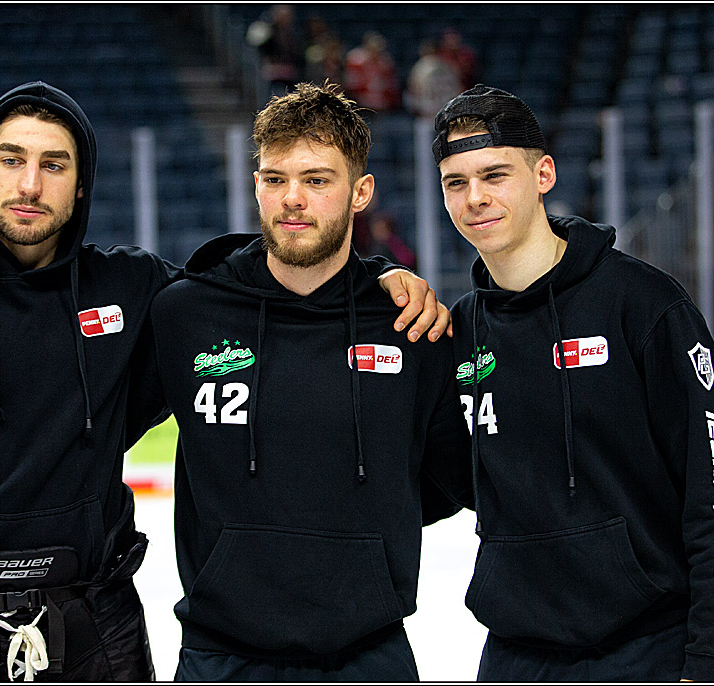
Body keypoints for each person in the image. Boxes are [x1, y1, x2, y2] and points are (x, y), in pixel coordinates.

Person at [0, 81, 449, 682]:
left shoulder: (134, 291)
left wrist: (372, 282)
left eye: (54, 165)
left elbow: (267, 281)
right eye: (11, 160)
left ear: (82, 184)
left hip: (96, 624)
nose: (30, 184)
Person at [144, 82, 474, 681]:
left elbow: (445, 481)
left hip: (368, 655)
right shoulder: (186, 313)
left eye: (317, 180)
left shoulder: (408, 324)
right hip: (222, 658)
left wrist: (359, 539)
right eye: (275, 179)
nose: (292, 199)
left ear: (360, 192)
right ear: (256, 186)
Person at [433, 85, 714, 682]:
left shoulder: (645, 306)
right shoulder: (461, 334)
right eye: (456, 182)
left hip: (647, 650)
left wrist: (711, 660)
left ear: (543, 174)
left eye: (494, 174)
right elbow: (445, 481)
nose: (475, 198)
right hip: (514, 654)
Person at [343, 31, 401, 113]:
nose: (377, 51)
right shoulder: (356, 60)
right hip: (361, 104)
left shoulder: (385, 62)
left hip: (381, 105)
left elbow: (391, 85)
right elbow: (351, 83)